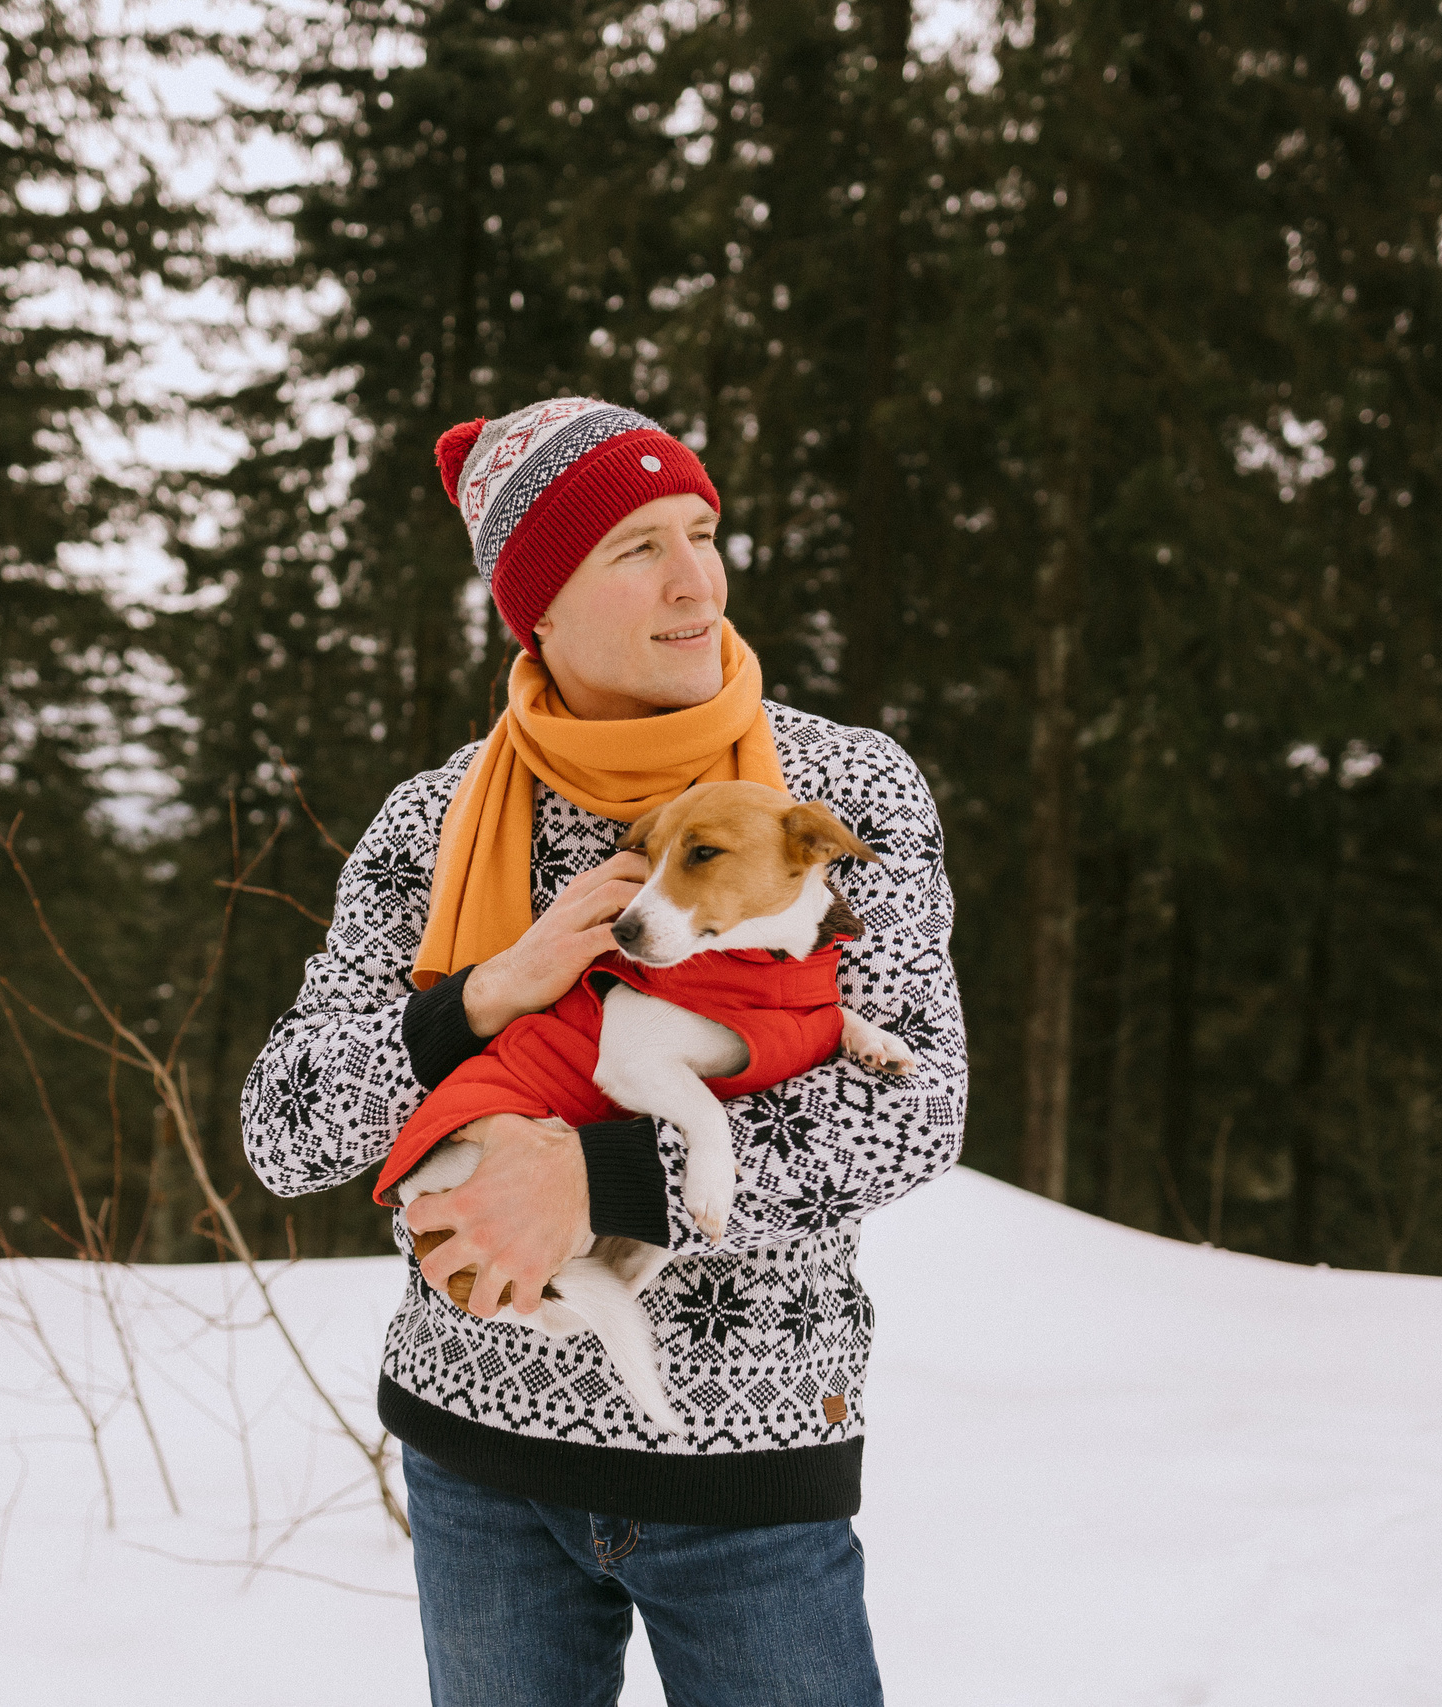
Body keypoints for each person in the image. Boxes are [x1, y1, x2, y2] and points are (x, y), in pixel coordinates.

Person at [240, 396, 967, 1706]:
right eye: (639, 548)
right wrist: (479, 1000)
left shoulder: (840, 793)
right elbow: (284, 1129)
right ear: (539, 611)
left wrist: (599, 1180)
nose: (698, 581)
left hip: (746, 1466)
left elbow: (913, 1111)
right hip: (479, 1462)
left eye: (702, 532)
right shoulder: (433, 823)